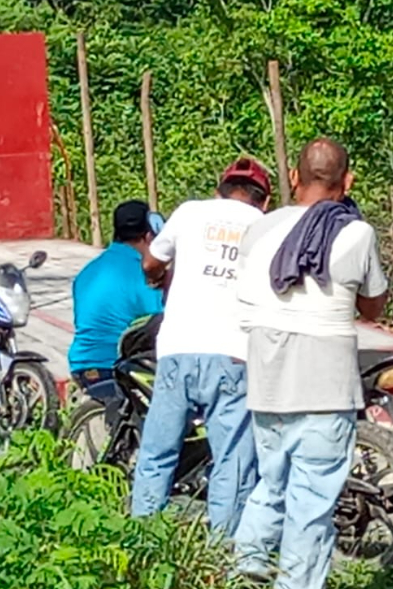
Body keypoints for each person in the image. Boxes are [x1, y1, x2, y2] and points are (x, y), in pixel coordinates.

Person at [233, 138, 388, 589]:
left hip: (267, 380)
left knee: (269, 487)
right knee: (313, 501)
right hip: (323, 383)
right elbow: (373, 307)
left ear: (294, 179)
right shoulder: (356, 233)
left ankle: (245, 583)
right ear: (350, 182)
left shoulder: (260, 229)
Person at [131, 158, 272, 536]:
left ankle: (142, 543)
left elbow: (151, 263)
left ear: (219, 190)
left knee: (158, 453)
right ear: (265, 201)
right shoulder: (265, 226)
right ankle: (220, 558)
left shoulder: (190, 212)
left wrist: (160, 276)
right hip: (234, 353)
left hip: (178, 348)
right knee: (232, 461)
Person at [68, 201, 165, 399]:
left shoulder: (88, 271)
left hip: (82, 366)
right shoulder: (143, 273)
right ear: (148, 237)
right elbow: (165, 319)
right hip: (118, 369)